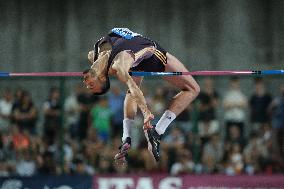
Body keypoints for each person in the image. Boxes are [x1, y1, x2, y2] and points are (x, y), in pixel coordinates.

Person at [83, 28, 200, 162]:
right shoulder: (120, 66)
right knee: (193, 89)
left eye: (89, 84)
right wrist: (146, 113)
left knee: (132, 87)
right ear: (103, 78)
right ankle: (157, 131)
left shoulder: (93, 55)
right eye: (90, 85)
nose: (86, 84)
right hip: (153, 56)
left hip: (139, 55)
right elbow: (134, 89)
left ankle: (126, 137)